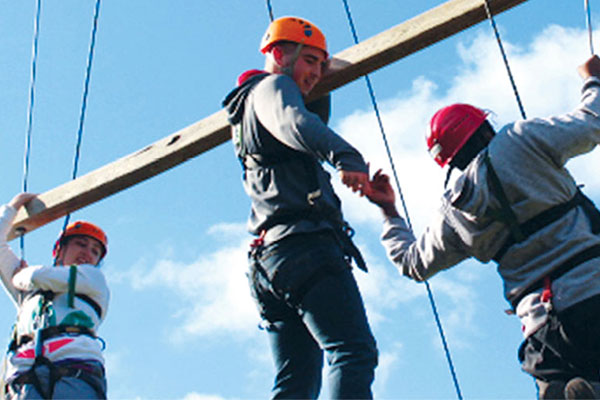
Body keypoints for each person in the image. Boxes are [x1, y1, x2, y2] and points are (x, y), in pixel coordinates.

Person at [365, 55, 600, 400]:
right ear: (484, 128)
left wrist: (389, 211)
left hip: (541, 329)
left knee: (558, 385)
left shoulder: (453, 210)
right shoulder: (519, 140)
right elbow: (592, 123)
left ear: (450, 162)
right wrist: (593, 80)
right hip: (592, 292)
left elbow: (412, 264)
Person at [222, 16, 378, 399]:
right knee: (352, 350)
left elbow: (307, 118)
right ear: (278, 54)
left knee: (297, 381)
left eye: (321, 65)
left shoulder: (246, 112)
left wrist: (316, 72)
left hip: (270, 261)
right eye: (309, 60)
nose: (316, 73)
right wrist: (346, 155)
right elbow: (296, 120)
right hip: (304, 247)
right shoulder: (273, 89)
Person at [0, 193, 110, 399]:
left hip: (76, 368)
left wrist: (20, 276)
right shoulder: (31, 292)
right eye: (81, 244)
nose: (88, 253)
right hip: (23, 376)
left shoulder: (93, 279)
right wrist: (12, 207)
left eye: (95, 251)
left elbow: (35, 275)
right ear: (59, 250)